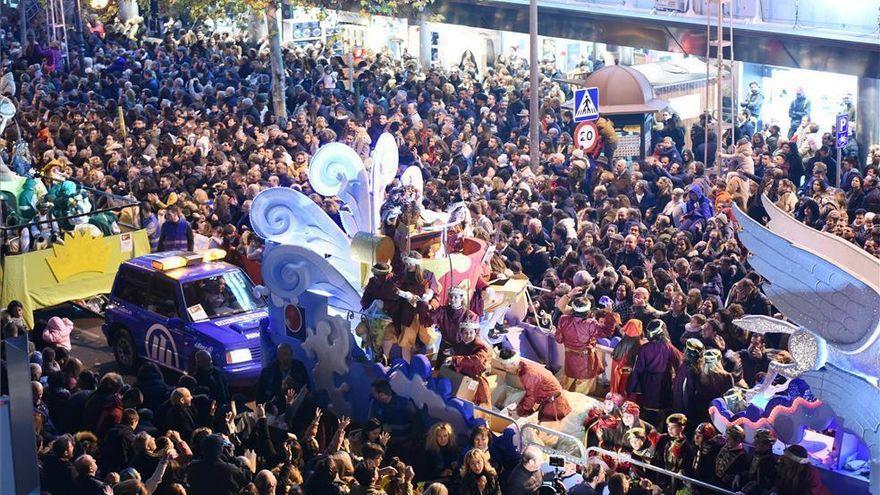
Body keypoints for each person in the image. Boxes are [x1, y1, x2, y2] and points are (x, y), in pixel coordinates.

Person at [553, 291, 618, 395]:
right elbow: (606, 332)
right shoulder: (591, 324)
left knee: (564, 388)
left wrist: (570, 294)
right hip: (586, 362)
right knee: (581, 393)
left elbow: (559, 339)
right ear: (588, 310)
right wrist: (609, 314)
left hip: (569, 359)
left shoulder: (563, 319)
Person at [627, 319, 682, 425]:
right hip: (665, 382)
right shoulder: (669, 348)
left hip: (649, 383)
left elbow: (638, 369)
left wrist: (632, 387)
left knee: (649, 413)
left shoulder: (644, 348)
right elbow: (680, 363)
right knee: (665, 410)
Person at [498, 348, 571, 424]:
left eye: (505, 367)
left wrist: (519, 412)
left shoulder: (528, 374)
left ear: (513, 364)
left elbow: (531, 397)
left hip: (554, 403)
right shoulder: (522, 365)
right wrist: (519, 407)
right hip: (548, 396)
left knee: (541, 428)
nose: (505, 369)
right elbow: (529, 393)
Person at [447, 312, 492, 409]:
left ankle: (483, 422)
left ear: (475, 333)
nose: (468, 335)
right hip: (462, 378)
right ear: (461, 334)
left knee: (481, 405)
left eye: (471, 332)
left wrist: (455, 359)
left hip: (476, 380)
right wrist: (452, 352)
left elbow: (476, 360)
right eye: (465, 333)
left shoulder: (480, 346)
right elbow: (460, 351)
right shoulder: (461, 343)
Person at [740, 428, 778, 495]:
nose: (754, 444)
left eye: (758, 442)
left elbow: (765, 484)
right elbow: (749, 471)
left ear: (767, 445)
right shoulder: (755, 455)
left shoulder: (770, 462)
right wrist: (739, 475)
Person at [713, 425, 749, 490]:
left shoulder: (742, 456)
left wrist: (732, 477)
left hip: (725, 489)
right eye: (727, 437)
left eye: (729, 439)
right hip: (714, 484)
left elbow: (741, 474)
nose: (726, 440)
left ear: (737, 440)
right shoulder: (723, 447)